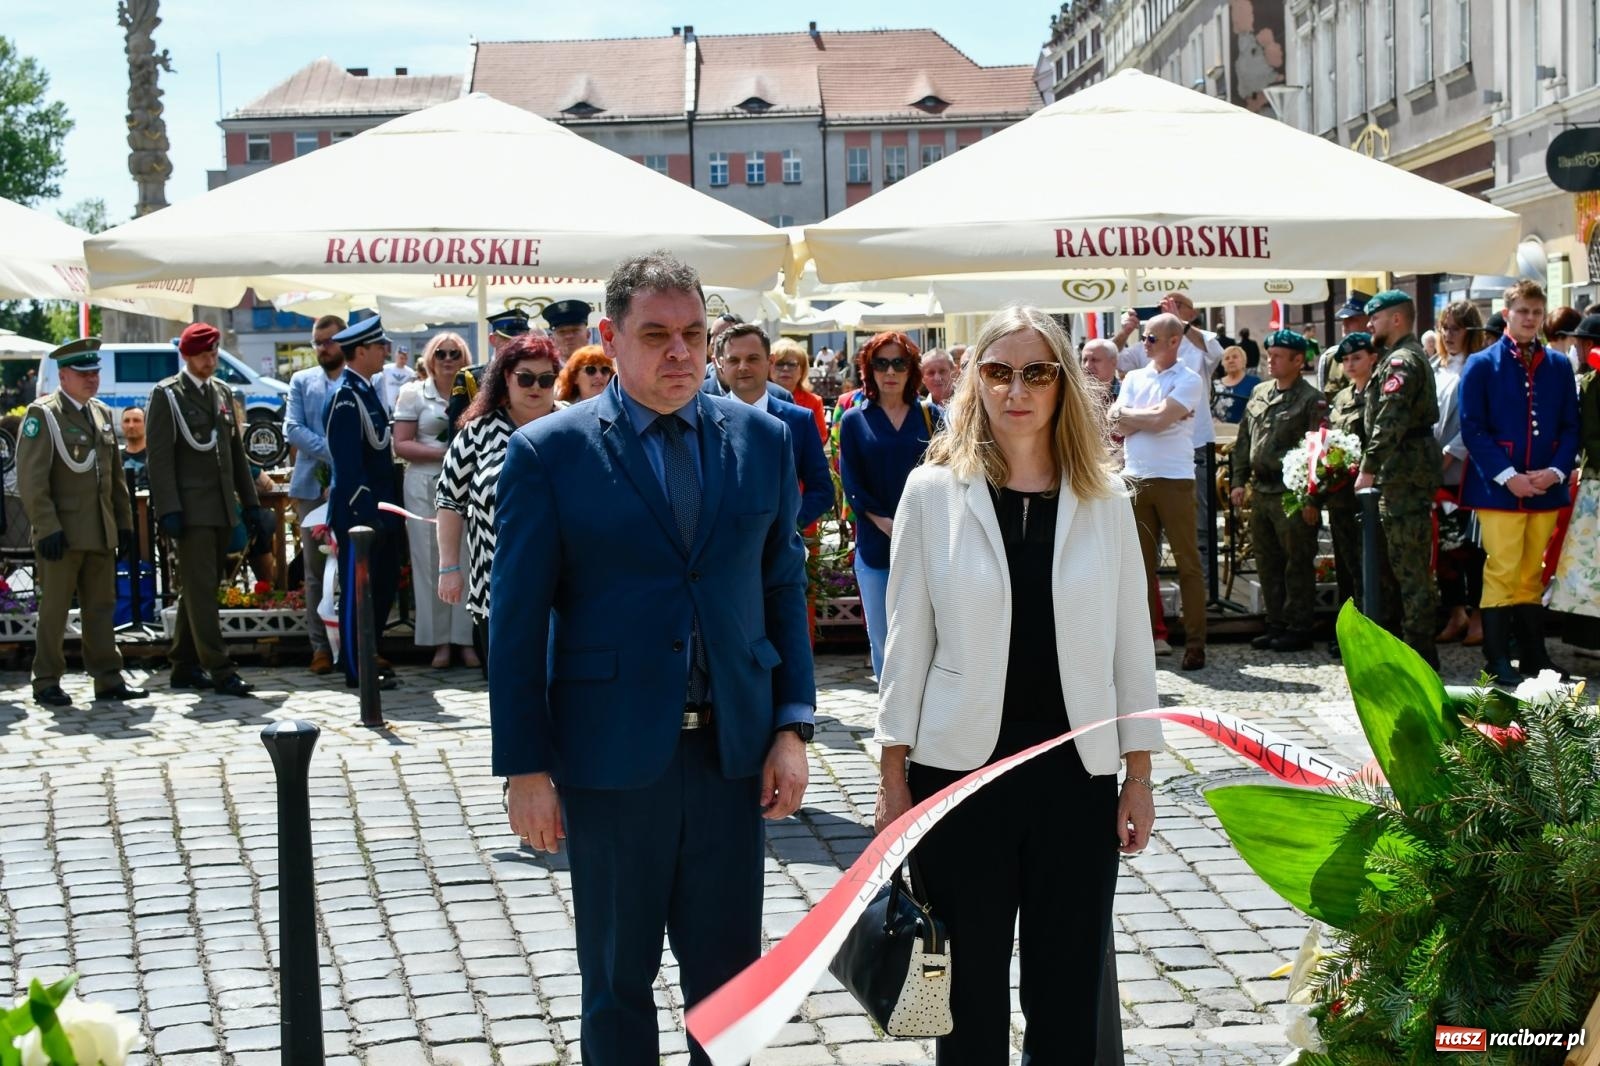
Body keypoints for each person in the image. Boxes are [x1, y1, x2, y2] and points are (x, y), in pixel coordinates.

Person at [494, 253, 814, 1066]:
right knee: (614, 985)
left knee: (730, 989)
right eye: (657, 335)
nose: (681, 353)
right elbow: (518, 623)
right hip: (609, 761)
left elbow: (782, 588)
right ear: (609, 337)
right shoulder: (548, 454)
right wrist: (525, 767)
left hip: (729, 756)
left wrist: (792, 725)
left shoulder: (764, 440)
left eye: (695, 335)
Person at [873, 305, 1161, 1065]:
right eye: (997, 372)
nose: (1016, 389)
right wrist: (891, 773)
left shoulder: (1106, 500)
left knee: (1066, 997)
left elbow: (1133, 646)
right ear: (975, 383)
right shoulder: (933, 493)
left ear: (1064, 385)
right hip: (960, 777)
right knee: (965, 1002)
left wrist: (1139, 773)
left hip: (1079, 776)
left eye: (1036, 371)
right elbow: (906, 645)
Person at [1458, 281, 1581, 685]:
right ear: (1507, 312)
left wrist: (1556, 472)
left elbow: (1570, 426)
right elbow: (1472, 429)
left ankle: (1534, 657)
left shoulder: (1559, 366)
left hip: (1546, 486)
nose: (1530, 319)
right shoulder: (1481, 364)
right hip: (1499, 488)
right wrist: (1509, 476)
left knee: (1534, 571)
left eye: (1536, 312)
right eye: (1523, 311)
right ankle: (1496, 659)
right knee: (1503, 569)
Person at [17, 339, 145, 707]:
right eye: (84, 374)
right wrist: (46, 526)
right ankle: (45, 680)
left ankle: (107, 677)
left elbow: (114, 476)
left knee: (102, 607)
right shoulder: (44, 415)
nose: (92, 379)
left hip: (99, 529)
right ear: (64, 375)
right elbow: (32, 479)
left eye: (95, 372)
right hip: (62, 532)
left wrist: (122, 522)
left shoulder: (101, 412)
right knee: (55, 610)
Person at [147, 323, 270, 697]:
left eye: (215, 354)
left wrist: (251, 505)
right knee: (202, 593)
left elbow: (235, 454)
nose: (211, 361)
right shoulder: (168, 395)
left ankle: (183, 665)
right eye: (204, 355)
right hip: (191, 510)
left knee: (198, 590)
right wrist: (168, 508)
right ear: (187, 356)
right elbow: (160, 459)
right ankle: (220, 669)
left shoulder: (220, 392)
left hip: (221, 508)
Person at [437, 335, 561, 668]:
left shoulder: (573, 428)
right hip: (497, 590)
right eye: (526, 377)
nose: (536, 386)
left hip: (567, 592)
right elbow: (449, 499)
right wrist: (449, 568)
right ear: (506, 377)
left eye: (546, 379)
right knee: (511, 695)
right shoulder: (477, 431)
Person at [837, 331, 941, 679]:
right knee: (883, 638)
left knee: (928, 634)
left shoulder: (931, 415)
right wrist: (885, 522)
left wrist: (912, 525)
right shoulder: (855, 419)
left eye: (899, 362)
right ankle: (890, 718)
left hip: (927, 541)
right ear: (869, 370)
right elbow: (851, 482)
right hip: (876, 543)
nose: (890, 372)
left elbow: (945, 475)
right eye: (881, 364)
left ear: (912, 369)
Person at [1111, 313, 1209, 670]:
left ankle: (1195, 642)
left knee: (1188, 564)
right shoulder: (1135, 376)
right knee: (1139, 567)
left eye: (1151, 338)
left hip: (1174, 478)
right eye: (1143, 337)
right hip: (1136, 477)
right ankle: (1143, 643)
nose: (1144, 343)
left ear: (1173, 341)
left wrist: (1144, 417)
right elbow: (1118, 421)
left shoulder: (1188, 378)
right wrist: (1154, 416)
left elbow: (1151, 420)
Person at [1353, 290, 1441, 669]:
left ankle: (1420, 656)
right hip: (1401, 475)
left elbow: (1391, 420)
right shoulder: (1397, 357)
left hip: (1404, 477)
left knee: (1411, 570)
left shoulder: (1402, 361)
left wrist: (1368, 467)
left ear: (1397, 319)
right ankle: (1404, 650)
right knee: (1398, 566)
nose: (1369, 324)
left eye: (1375, 317)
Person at [1114, 293, 1225, 589]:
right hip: (1142, 467)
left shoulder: (1198, 341)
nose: (1147, 341)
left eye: (1176, 305)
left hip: (1192, 449)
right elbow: (1112, 360)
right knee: (1143, 557)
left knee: (1196, 536)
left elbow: (1217, 354)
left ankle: (1206, 599)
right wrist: (1126, 330)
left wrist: (1182, 324)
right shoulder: (1146, 346)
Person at [1230, 330, 1329, 652]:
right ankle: (1275, 623)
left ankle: (1298, 626)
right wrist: (1237, 481)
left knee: (1296, 562)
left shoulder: (1311, 400)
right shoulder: (1260, 392)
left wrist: (1312, 498)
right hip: (1261, 491)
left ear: (1298, 361)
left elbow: (1319, 451)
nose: (1270, 360)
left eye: (1277, 356)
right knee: (1267, 561)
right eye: (1269, 354)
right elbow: (1244, 439)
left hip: (1292, 494)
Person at [325, 316, 403, 690]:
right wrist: (367, 514)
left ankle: (370, 656)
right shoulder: (345, 398)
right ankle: (357, 668)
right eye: (378, 347)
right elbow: (348, 467)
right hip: (360, 514)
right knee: (359, 593)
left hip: (379, 510)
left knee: (379, 588)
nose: (384, 352)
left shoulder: (366, 390)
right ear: (360, 352)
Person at [393, 333, 476, 669]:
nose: (447, 359)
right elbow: (401, 444)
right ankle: (438, 641)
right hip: (423, 482)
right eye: (440, 353)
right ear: (429, 358)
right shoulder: (413, 392)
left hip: (466, 484)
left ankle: (466, 640)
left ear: (464, 357)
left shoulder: (476, 390)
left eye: (454, 353)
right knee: (430, 563)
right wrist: (446, 454)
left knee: (468, 557)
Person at [715, 323, 833, 529]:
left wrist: (789, 527)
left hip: (782, 552)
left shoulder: (799, 420)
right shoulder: (704, 418)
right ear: (721, 365)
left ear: (769, 362)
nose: (743, 367)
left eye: (752, 358)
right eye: (734, 360)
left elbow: (822, 489)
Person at [284, 314, 346, 675]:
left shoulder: (359, 379)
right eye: (317, 342)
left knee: (355, 567)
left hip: (351, 487)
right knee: (315, 571)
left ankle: (356, 641)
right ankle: (320, 647)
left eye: (329, 341)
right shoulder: (301, 380)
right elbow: (292, 427)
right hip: (311, 486)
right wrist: (333, 452)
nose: (323, 348)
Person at [1433, 301, 1487, 648]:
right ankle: (1456, 612)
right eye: (1444, 328)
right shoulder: (1436, 367)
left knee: (1472, 551)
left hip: (1466, 472)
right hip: (1437, 473)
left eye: (1455, 328)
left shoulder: (1477, 367)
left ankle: (1478, 615)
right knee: (1445, 548)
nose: (1449, 335)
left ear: (1471, 331)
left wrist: (1450, 454)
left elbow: (1476, 422)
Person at [1548, 312, 1600, 654]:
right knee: (1589, 567)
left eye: (1581, 342)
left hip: (1595, 482)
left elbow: (1589, 435)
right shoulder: (1589, 381)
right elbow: (1590, 436)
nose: (1577, 348)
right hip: (1595, 482)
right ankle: (1588, 639)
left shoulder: (1588, 382)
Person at [1323, 333, 1377, 653]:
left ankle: (1371, 630)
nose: (1350, 364)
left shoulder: (1378, 394)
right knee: (1344, 564)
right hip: (1340, 494)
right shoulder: (1341, 398)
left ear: (1372, 357)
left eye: (1356, 358)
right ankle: (1348, 631)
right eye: (1344, 360)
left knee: (1367, 566)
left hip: (1367, 493)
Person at [446, 308, 529, 440]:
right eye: (508, 340)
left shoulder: (537, 376)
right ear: (493, 340)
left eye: (522, 341)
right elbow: (456, 432)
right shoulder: (470, 377)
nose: (516, 347)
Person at [1316, 290, 1373, 400]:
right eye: (1344, 319)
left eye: (1352, 319)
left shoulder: (1381, 354)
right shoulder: (1330, 358)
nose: (1345, 324)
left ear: (1369, 320)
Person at [769, 337, 828, 441]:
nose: (785, 369)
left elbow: (820, 439)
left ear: (802, 370)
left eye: (792, 364)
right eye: (779, 363)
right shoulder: (756, 397)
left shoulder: (814, 402)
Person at [1210, 345, 1260, 424]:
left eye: (1235, 357)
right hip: (1217, 432)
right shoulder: (1214, 385)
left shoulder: (1255, 383)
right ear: (1222, 363)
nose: (1231, 361)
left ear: (1244, 361)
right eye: (1227, 358)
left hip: (1242, 432)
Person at [542, 299, 593, 364]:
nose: (569, 336)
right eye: (562, 332)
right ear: (552, 340)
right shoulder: (545, 371)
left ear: (588, 335)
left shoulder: (605, 368)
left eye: (575, 330)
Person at [119, 405, 149, 492]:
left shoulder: (156, 457)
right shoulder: (114, 459)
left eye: (136, 421)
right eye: (126, 421)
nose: (131, 425)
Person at [379, 346, 414, 413]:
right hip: (387, 406)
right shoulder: (386, 369)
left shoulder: (410, 372)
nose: (403, 360)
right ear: (396, 356)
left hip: (403, 408)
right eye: (401, 358)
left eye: (405, 358)